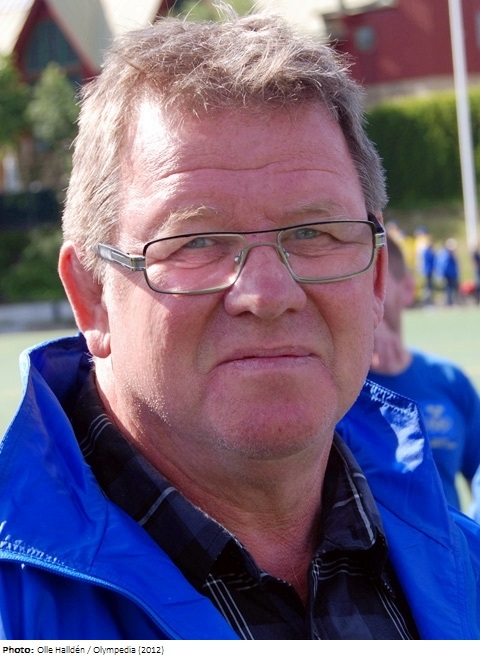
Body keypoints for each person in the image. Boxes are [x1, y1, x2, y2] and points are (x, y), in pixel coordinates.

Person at [1, 9, 479, 640]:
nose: (268, 295)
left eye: (314, 233)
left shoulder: (465, 571)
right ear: (92, 296)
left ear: (374, 280)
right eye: (197, 241)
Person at [368, 236, 480, 509]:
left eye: (374, 284)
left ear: (407, 289)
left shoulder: (448, 380)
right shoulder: (329, 392)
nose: (365, 300)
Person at [436, 238, 460, 305]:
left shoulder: (450, 254)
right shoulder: (445, 254)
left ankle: (453, 301)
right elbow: (443, 265)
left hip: (452, 274)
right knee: (449, 288)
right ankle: (449, 302)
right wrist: (442, 274)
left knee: (453, 288)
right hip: (448, 274)